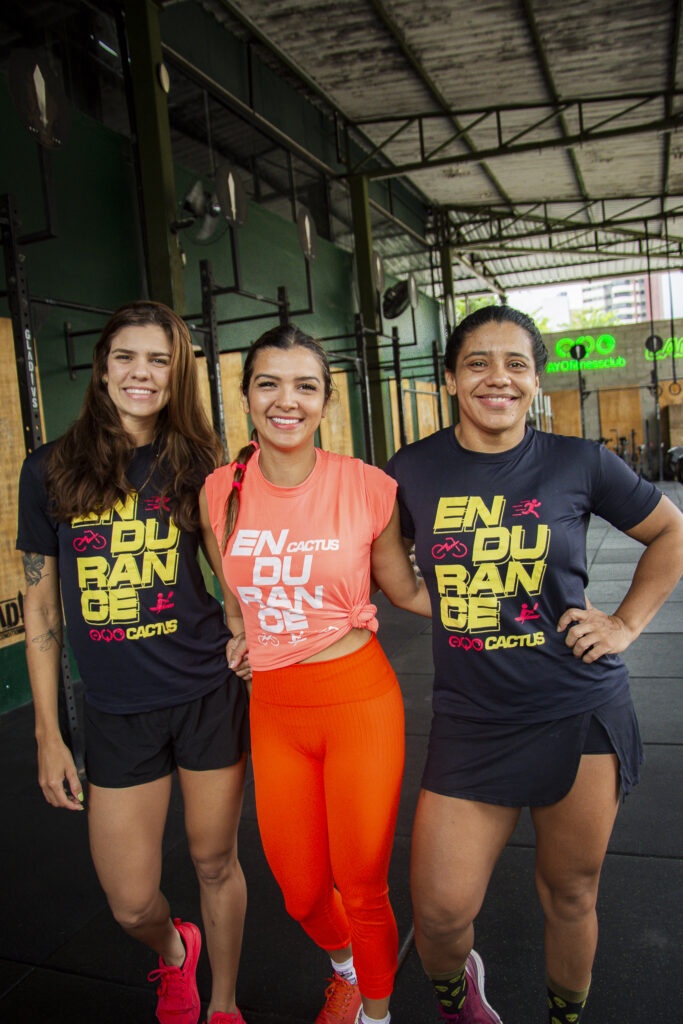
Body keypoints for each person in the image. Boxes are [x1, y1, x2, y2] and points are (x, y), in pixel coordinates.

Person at [384, 305, 683, 1024]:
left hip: (575, 710)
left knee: (571, 893)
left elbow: (669, 533)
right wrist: (461, 604)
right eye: (478, 363)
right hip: (471, 720)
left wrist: (623, 623)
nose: (498, 378)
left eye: (516, 364)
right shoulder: (411, 470)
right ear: (451, 378)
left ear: (535, 381)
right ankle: (459, 1002)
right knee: (440, 912)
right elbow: (390, 574)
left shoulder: (577, 461)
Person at [17, 301, 251, 1024]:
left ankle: (221, 1001)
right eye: (126, 357)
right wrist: (49, 735)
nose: (141, 373)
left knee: (216, 862)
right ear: (103, 367)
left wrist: (251, 636)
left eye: (158, 360)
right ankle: (175, 950)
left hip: (206, 691)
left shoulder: (197, 463)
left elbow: (231, 579)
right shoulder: (49, 468)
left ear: (175, 372)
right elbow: (43, 611)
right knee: (127, 901)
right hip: (116, 709)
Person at [199, 324, 431, 1024]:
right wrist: (245, 635)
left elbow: (407, 589)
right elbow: (236, 595)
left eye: (305, 386)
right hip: (274, 707)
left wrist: (514, 608)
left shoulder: (367, 486)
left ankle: (376, 1015)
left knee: (362, 884)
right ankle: (346, 970)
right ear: (246, 398)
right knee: (300, 892)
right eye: (268, 383)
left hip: (358, 700)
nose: (286, 400)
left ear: (325, 402)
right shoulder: (219, 491)